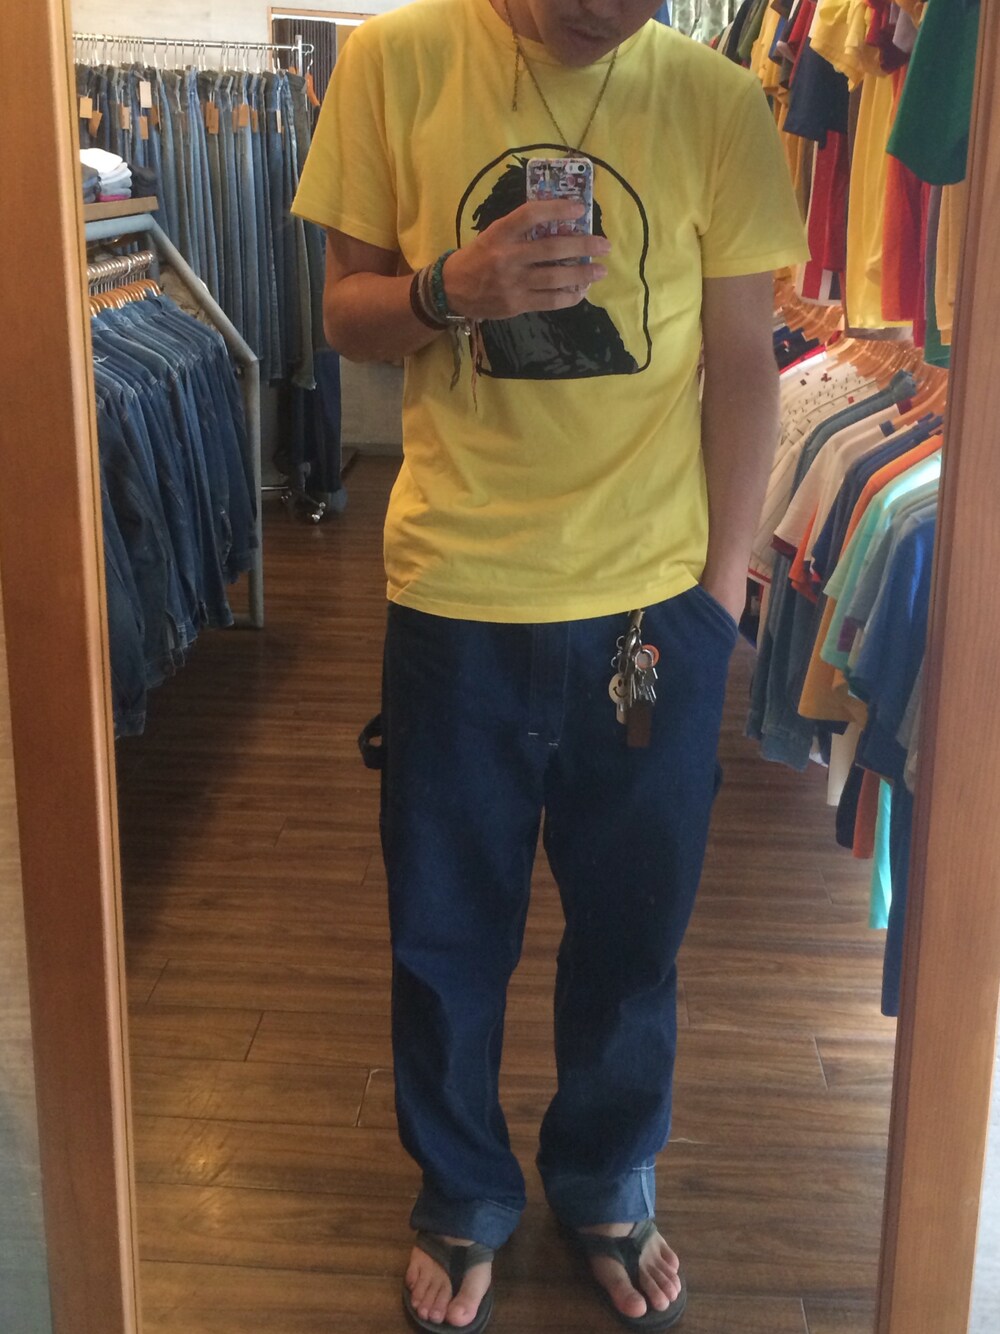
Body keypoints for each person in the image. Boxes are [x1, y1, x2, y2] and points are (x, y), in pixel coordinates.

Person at [293, 2, 809, 1330]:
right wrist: (446, 292)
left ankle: (604, 1169)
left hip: (654, 607)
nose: (612, 13)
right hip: (455, 595)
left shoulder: (716, 99)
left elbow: (742, 362)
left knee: (635, 929)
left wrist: (719, 600)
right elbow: (345, 315)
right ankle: (462, 1183)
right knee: (444, 932)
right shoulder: (392, 62)